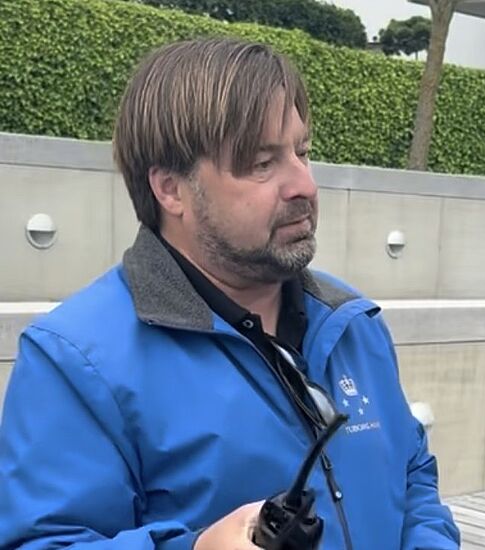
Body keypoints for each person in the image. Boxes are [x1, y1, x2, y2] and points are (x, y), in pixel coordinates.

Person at [0, 38, 460, 550]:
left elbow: (413, 472)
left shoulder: (353, 321)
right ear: (171, 189)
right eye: (262, 163)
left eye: (302, 152)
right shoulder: (74, 361)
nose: (304, 185)